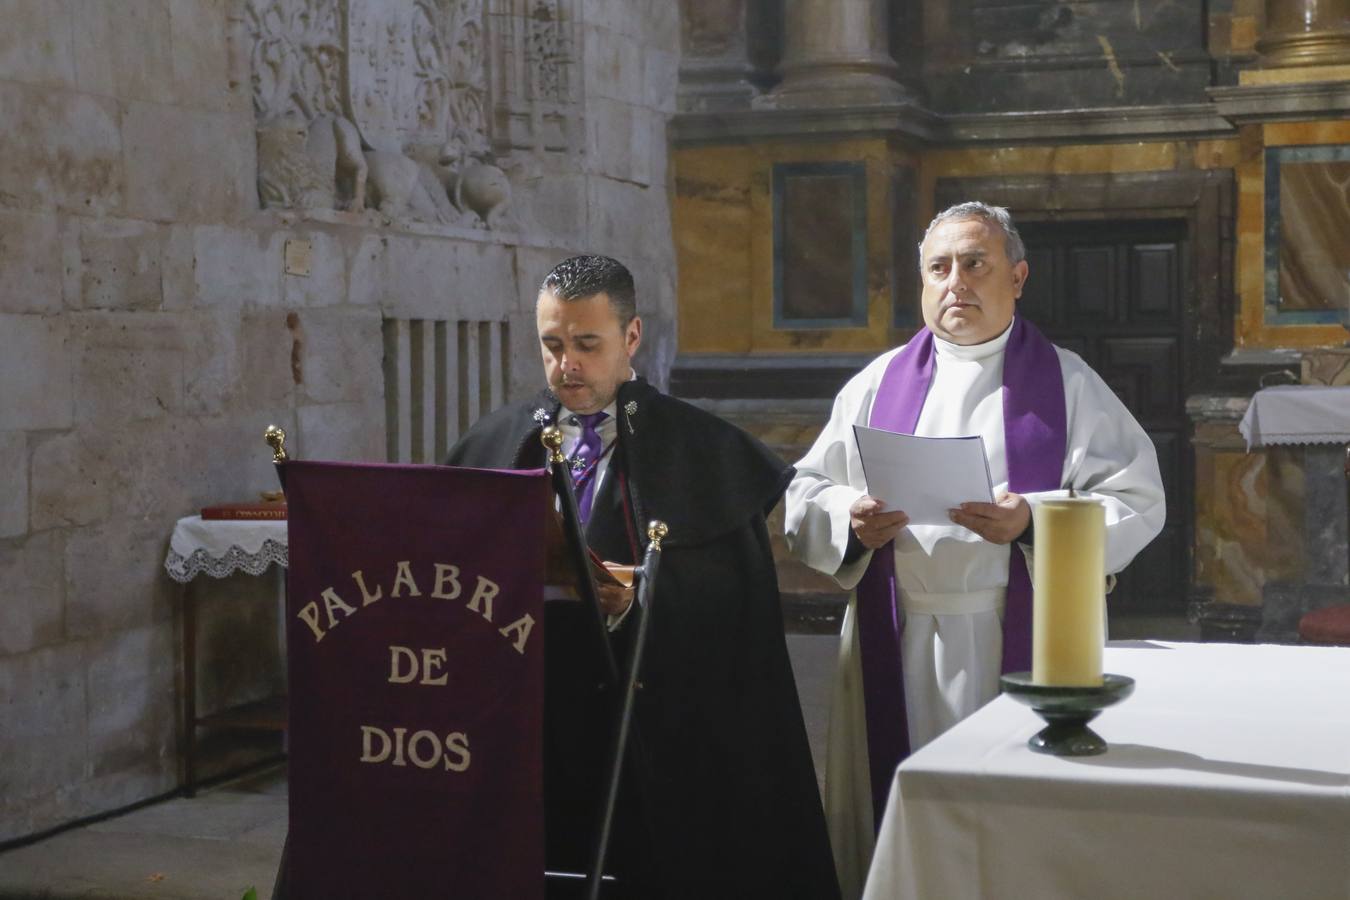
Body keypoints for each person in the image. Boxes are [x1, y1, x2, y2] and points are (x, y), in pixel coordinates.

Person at [784, 202, 1165, 897]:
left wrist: (1032, 522)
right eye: (939, 268)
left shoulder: (1069, 383)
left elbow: (1138, 502)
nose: (955, 281)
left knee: (1008, 820)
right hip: (892, 633)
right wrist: (849, 519)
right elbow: (807, 489)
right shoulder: (877, 383)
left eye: (974, 264)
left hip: (1012, 635)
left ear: (1017, 277)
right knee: (899, 811)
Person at [447, 255, 840, 900]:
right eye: (552, 345)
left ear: (631, 338)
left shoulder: (705, 453)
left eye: (586, 344)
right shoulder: (497, 440)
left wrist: (644, 595)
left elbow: (730, 614)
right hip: (528, 711)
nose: (566, 365)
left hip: (649, 722)